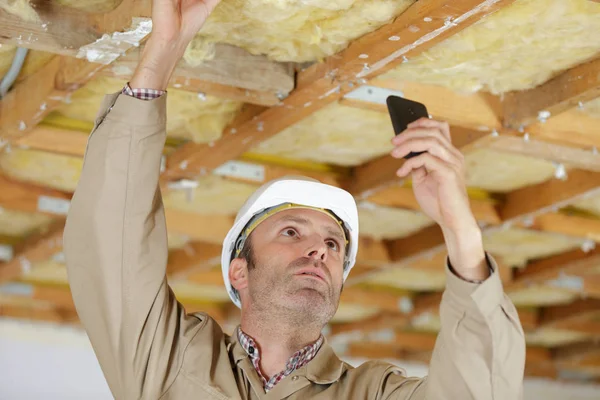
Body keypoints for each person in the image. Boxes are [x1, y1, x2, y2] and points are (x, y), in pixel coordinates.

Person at [64, 0, 526, 399]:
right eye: (291, 231)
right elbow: (111, 247)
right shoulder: (171, 364)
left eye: (334, 245)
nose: (320, 251)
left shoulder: (370, 393)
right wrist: (161, 54)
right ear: (238, 270)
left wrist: (459, 228)